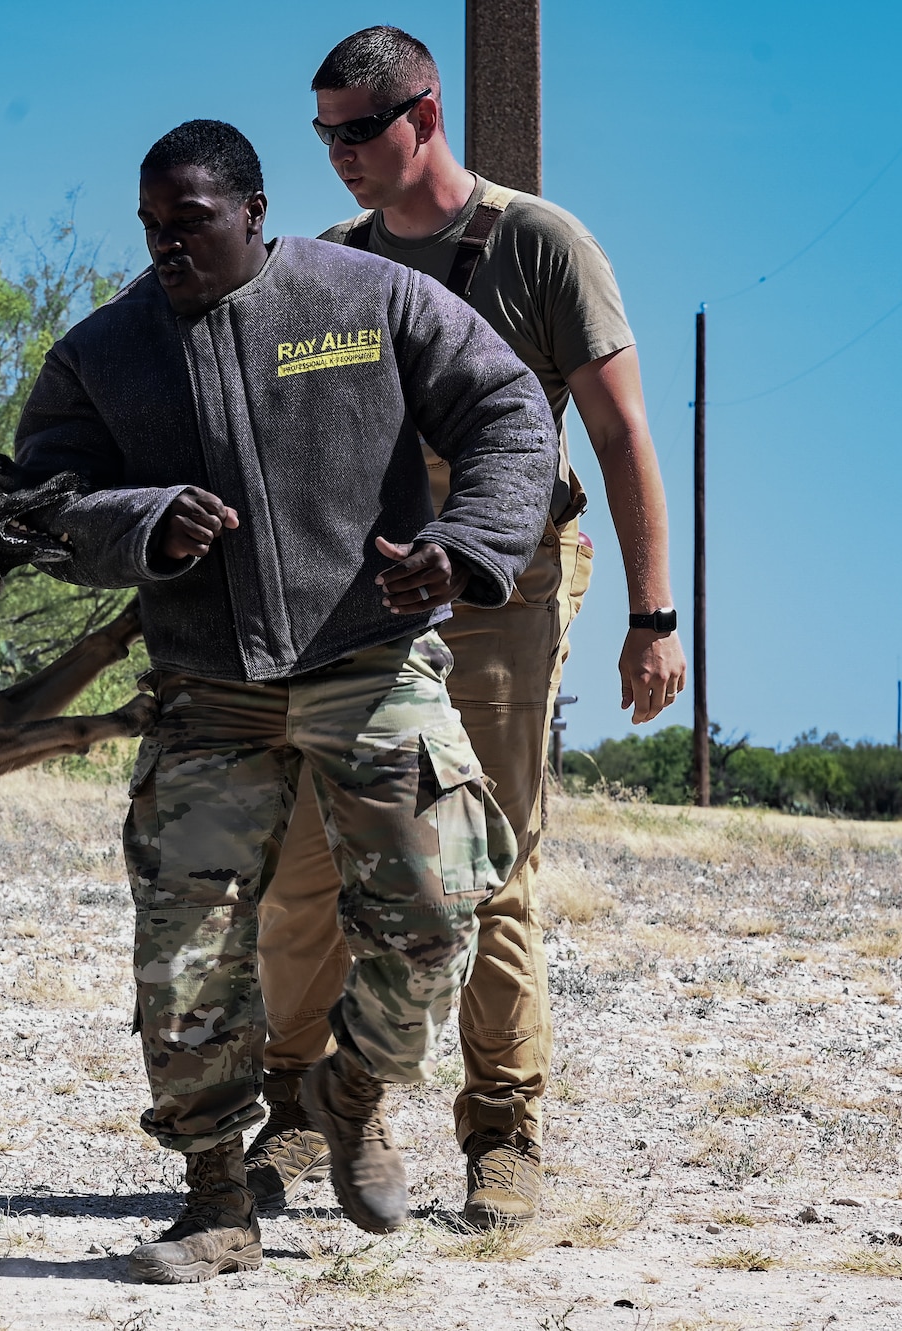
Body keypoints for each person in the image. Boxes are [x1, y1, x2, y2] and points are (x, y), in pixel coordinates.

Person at [14, 119, 557, 1283]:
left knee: (432, 909)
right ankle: (215, 1200)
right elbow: (43, 499)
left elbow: (509, 413)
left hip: (369, 662)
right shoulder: (106, 351)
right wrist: (138, 518)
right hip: (208, 690)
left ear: (254, 211)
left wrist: (463, 546)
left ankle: (348, 1090)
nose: (166, 247)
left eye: (190, 223)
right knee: (187, 957)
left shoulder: (366, 301)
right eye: (151, 228)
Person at [238, 26, 690, 1232]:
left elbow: (621, 432)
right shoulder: (326, 268)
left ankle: (501, 1131)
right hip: (362, 601)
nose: (335, 154)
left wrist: (653, 614)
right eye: (321, 132)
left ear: (422, 116)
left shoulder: (538, 245)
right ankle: (297, 1107)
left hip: (505, 589)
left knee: (488, 861)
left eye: (355, 129)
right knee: (306, 864)